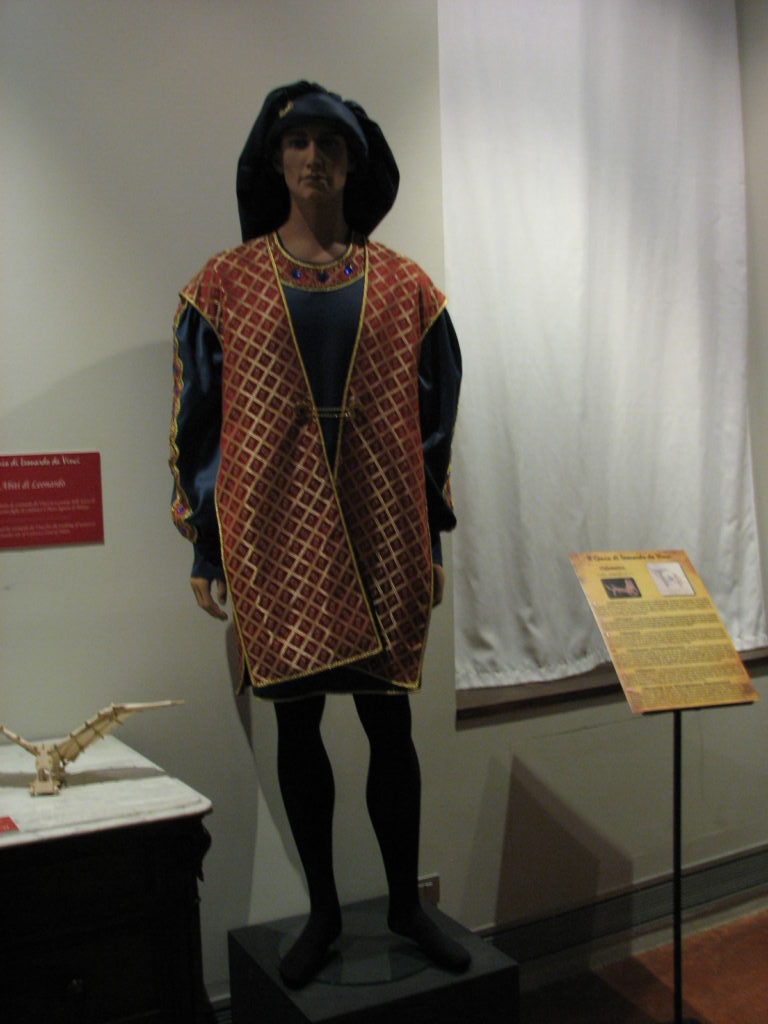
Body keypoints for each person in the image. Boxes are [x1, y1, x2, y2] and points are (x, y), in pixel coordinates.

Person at [169, 81, 468, 988]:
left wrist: (432, 536)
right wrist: (207, 544)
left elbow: (434, 423)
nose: (312, 159)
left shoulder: (408, 287)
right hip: (274, 537)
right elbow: (199, 422)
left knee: (389, 721)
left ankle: (406, 904)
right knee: (297, 728)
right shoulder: (222, 285)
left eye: (329, 145)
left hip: (383, 533)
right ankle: (326, 913)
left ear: (353, 164)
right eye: (296, 143)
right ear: (274, 160)